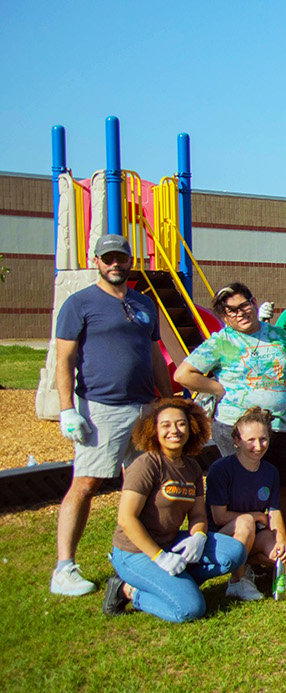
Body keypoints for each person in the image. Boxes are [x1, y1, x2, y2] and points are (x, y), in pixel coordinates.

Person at [51, 233, 171, 597]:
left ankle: (135, 557)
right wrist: (67, 408)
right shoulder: (79, 304)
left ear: (130, 260)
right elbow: (64, 359)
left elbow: (155, 357)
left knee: (142, 486)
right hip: (101, 408)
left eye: (121, 257)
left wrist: (168, 402)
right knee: (87, 483)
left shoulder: (143, 304)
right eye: (108, 258)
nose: (115, 264)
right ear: (97, 261)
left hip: (144, 408)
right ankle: (64, 567)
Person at [102, 398, 246, 622]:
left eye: (181, 424)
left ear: (191, 428)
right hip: (135, 552)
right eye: (166, 425)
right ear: (153, 430)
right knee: (190, 608)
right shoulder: (146, 464)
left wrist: (198, 536)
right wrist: (160, 558)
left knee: (234, 553)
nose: (174, 431)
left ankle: (174, 583)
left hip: (171, 542)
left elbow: (198, 515)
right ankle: (128, 590)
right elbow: (126, 518)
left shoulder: (192, 468)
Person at [174, 282, 286, 520]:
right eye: (231, 310)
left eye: (244, 305)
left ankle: (283, 540)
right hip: (235, 428)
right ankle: (243, 539)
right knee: (241, 485)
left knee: (280, 486)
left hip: (280, 426)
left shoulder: (279, 336)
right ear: (225, 316)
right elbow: (183, 374)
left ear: (254, 302)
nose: (240, 313)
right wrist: (217, 388)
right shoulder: (220, 342)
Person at [206, 407, 286, 602]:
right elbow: (219, 516)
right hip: (222, 536)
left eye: (263, 439)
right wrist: (254, 516)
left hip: (254, 531)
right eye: (250, 440)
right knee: (245, 522)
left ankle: (245, 565)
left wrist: (281, 539)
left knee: (282, 556)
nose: (258, 446)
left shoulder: (270, 471)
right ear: (237, 441)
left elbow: (274, 512)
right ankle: (237, 581)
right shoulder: (221, 470)